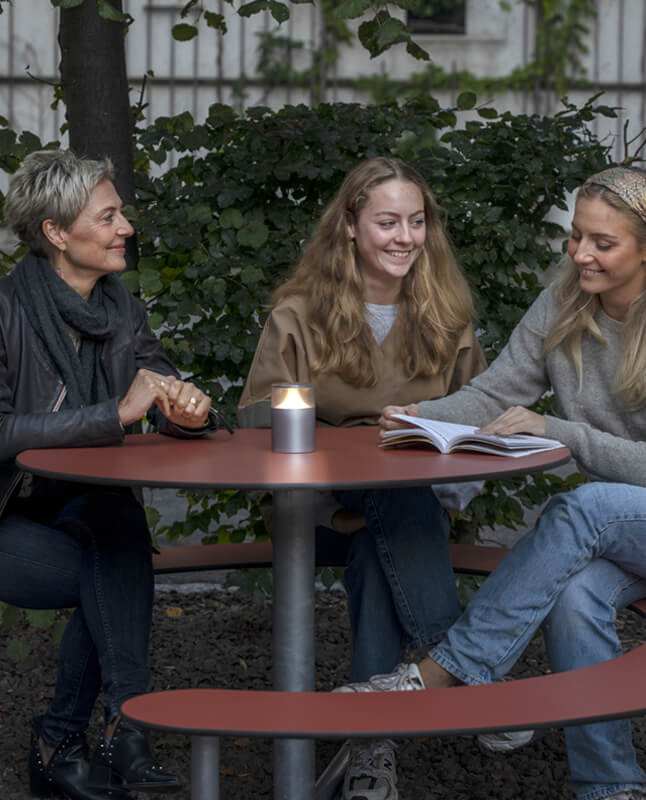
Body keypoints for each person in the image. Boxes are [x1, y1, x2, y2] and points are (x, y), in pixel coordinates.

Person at [339, 166, 646, 800]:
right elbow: (495, 393)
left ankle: (450, 669)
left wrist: (569, 434)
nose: (581, 253)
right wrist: (421, 417)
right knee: (575, 597)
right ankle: (611, 786)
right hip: (627, 533)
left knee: (580, 507)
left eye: (603, 243)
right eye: (576, 236)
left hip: (616, 515)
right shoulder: (565, 301)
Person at [238, 156, 486, 800]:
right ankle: (462, 662)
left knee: (387, 532)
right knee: (389, 484)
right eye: (386, 222)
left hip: (414, 507)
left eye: (416, 221)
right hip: (315, 501)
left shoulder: (449, 315)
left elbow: (475, 421)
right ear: (349, 225)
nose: (405, 236)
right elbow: (257, 424)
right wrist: (342, 431)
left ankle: (370, 750)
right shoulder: (299, 314)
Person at [0, 149, 218, 800]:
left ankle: (108, 733)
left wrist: (190, 408)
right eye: (110, 215)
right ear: (57, 233)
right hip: (12, 513)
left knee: (116, 532)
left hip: (89, 508)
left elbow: (160, 383)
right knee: (118, 575)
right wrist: (113, 414)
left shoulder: (121, 309)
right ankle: (80, 734)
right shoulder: (5, 310)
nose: (127, 227)